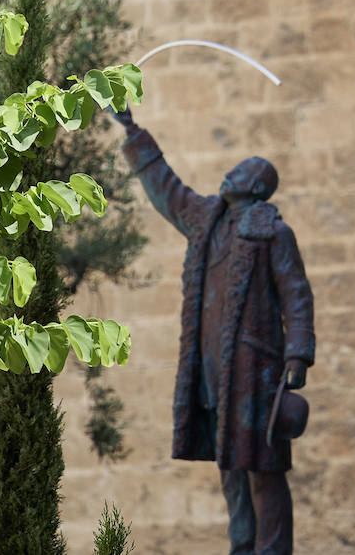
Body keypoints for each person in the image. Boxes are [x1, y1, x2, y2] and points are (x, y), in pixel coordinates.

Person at [113, 107, 314, 555]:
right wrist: (131, 129)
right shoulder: (205, 220)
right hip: (212, 368)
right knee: (230, 465)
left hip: (255, 370)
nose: (229, 173)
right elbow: (166, 188)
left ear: (259, 186)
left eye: (240, 171)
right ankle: (242, 546)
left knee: (263, 467)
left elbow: (297, 295)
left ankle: (273, 550)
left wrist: (298, 356)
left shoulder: (273, 234)